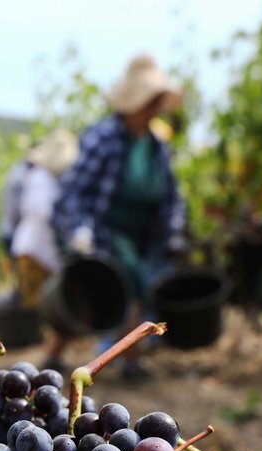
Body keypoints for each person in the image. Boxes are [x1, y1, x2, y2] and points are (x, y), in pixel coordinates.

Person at [45, 53, 187, 379]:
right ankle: (120, 359)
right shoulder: (105, 137)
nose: (152, 109)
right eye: (148, 101)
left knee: (131, 287)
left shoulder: (156, 146)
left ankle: (125, 359)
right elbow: (74, 189)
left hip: (141, 233)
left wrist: (175, 230)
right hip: (103, 227)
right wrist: (78, 229)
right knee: (101, 284)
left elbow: (170, 197)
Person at [9, 128, 79, 306]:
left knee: (49, 305)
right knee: (35, 305)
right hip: (33, 251)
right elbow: (45, 213)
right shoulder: (39, 178)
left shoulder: (57, 179)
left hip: (46, 253)